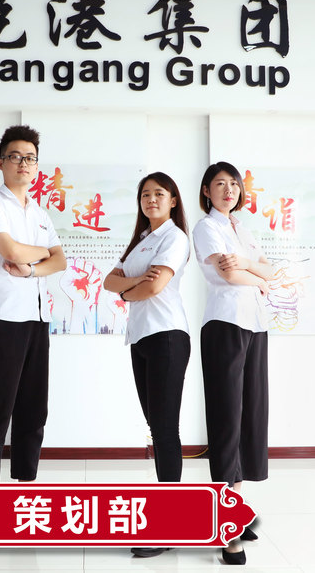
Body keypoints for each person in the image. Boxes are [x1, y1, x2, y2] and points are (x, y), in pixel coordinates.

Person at [103, 172, 190, 559]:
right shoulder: (141, 240)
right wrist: (133, 283)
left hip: (167, 335)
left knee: (165, 430)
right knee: (157, 428)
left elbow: (155, 288)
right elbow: (109, 282)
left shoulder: (175, 237)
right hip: (141, 338)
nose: (151, 199)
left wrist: (129, 287)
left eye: (159, 193)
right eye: (145, 194)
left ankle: (169, 525)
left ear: (173, 200)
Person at [0, 124, 66, 482]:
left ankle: (24, 486)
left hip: (36, 319)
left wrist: (33, 269)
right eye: (15, 157)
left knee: (33, 411)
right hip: (0, 317)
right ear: (1, 163)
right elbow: (10, 250)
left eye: (30, 158)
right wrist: (44, 251)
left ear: (37, 166)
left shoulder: (40, 213)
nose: (23, 163)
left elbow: (61, 261)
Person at [192, 161, 274, 566]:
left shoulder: (242, 228)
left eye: (234, 184)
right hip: (225, 324)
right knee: (227, 421)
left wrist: (253, 270)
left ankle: (235, 510)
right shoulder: (206, 227)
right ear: (206, 191)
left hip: (255, 325)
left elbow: (270, 269)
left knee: (251, 418)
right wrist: (256, 276)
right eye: (220, 184)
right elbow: (229, 275)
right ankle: (226, 528)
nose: (229, 190)